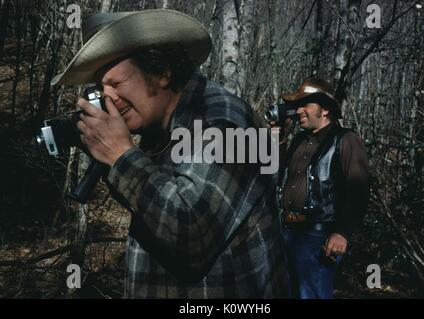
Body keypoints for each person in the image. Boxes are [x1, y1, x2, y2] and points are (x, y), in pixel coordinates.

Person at [51, 9, 289, 298]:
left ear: (162, 71)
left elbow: (190, 234)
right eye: (101, 88)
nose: (107, 97)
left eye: (116, 83)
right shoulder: (157, 131)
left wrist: (121, 156)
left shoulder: (223, 121)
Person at [275, 77, 369, 299]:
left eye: (305, 105)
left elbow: (359, 190)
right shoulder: (298, 140)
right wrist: (277, 139)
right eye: (297, 106)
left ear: (325, 109)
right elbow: (274, 177)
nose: (298, 111)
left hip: (318, 236)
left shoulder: (345, 139)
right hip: (287, 232)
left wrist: (342, 232)